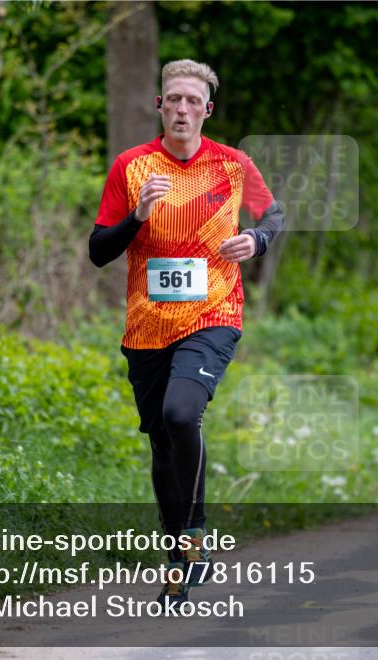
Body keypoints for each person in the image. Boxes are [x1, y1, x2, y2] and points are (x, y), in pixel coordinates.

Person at [89, 59, 284, 604]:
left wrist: (258, 241)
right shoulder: (131, 168)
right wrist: (138, 217)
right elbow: (98, 250)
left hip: (213, 314)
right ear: (159, 106)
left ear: (207, 110)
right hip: (147, 324)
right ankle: (179, 556)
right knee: (160, 441)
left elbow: (273, 214)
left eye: (191, 101)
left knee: (181, 413)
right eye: (172, 99)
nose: (181, 109)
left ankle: (194, 532)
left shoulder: (233, 164)